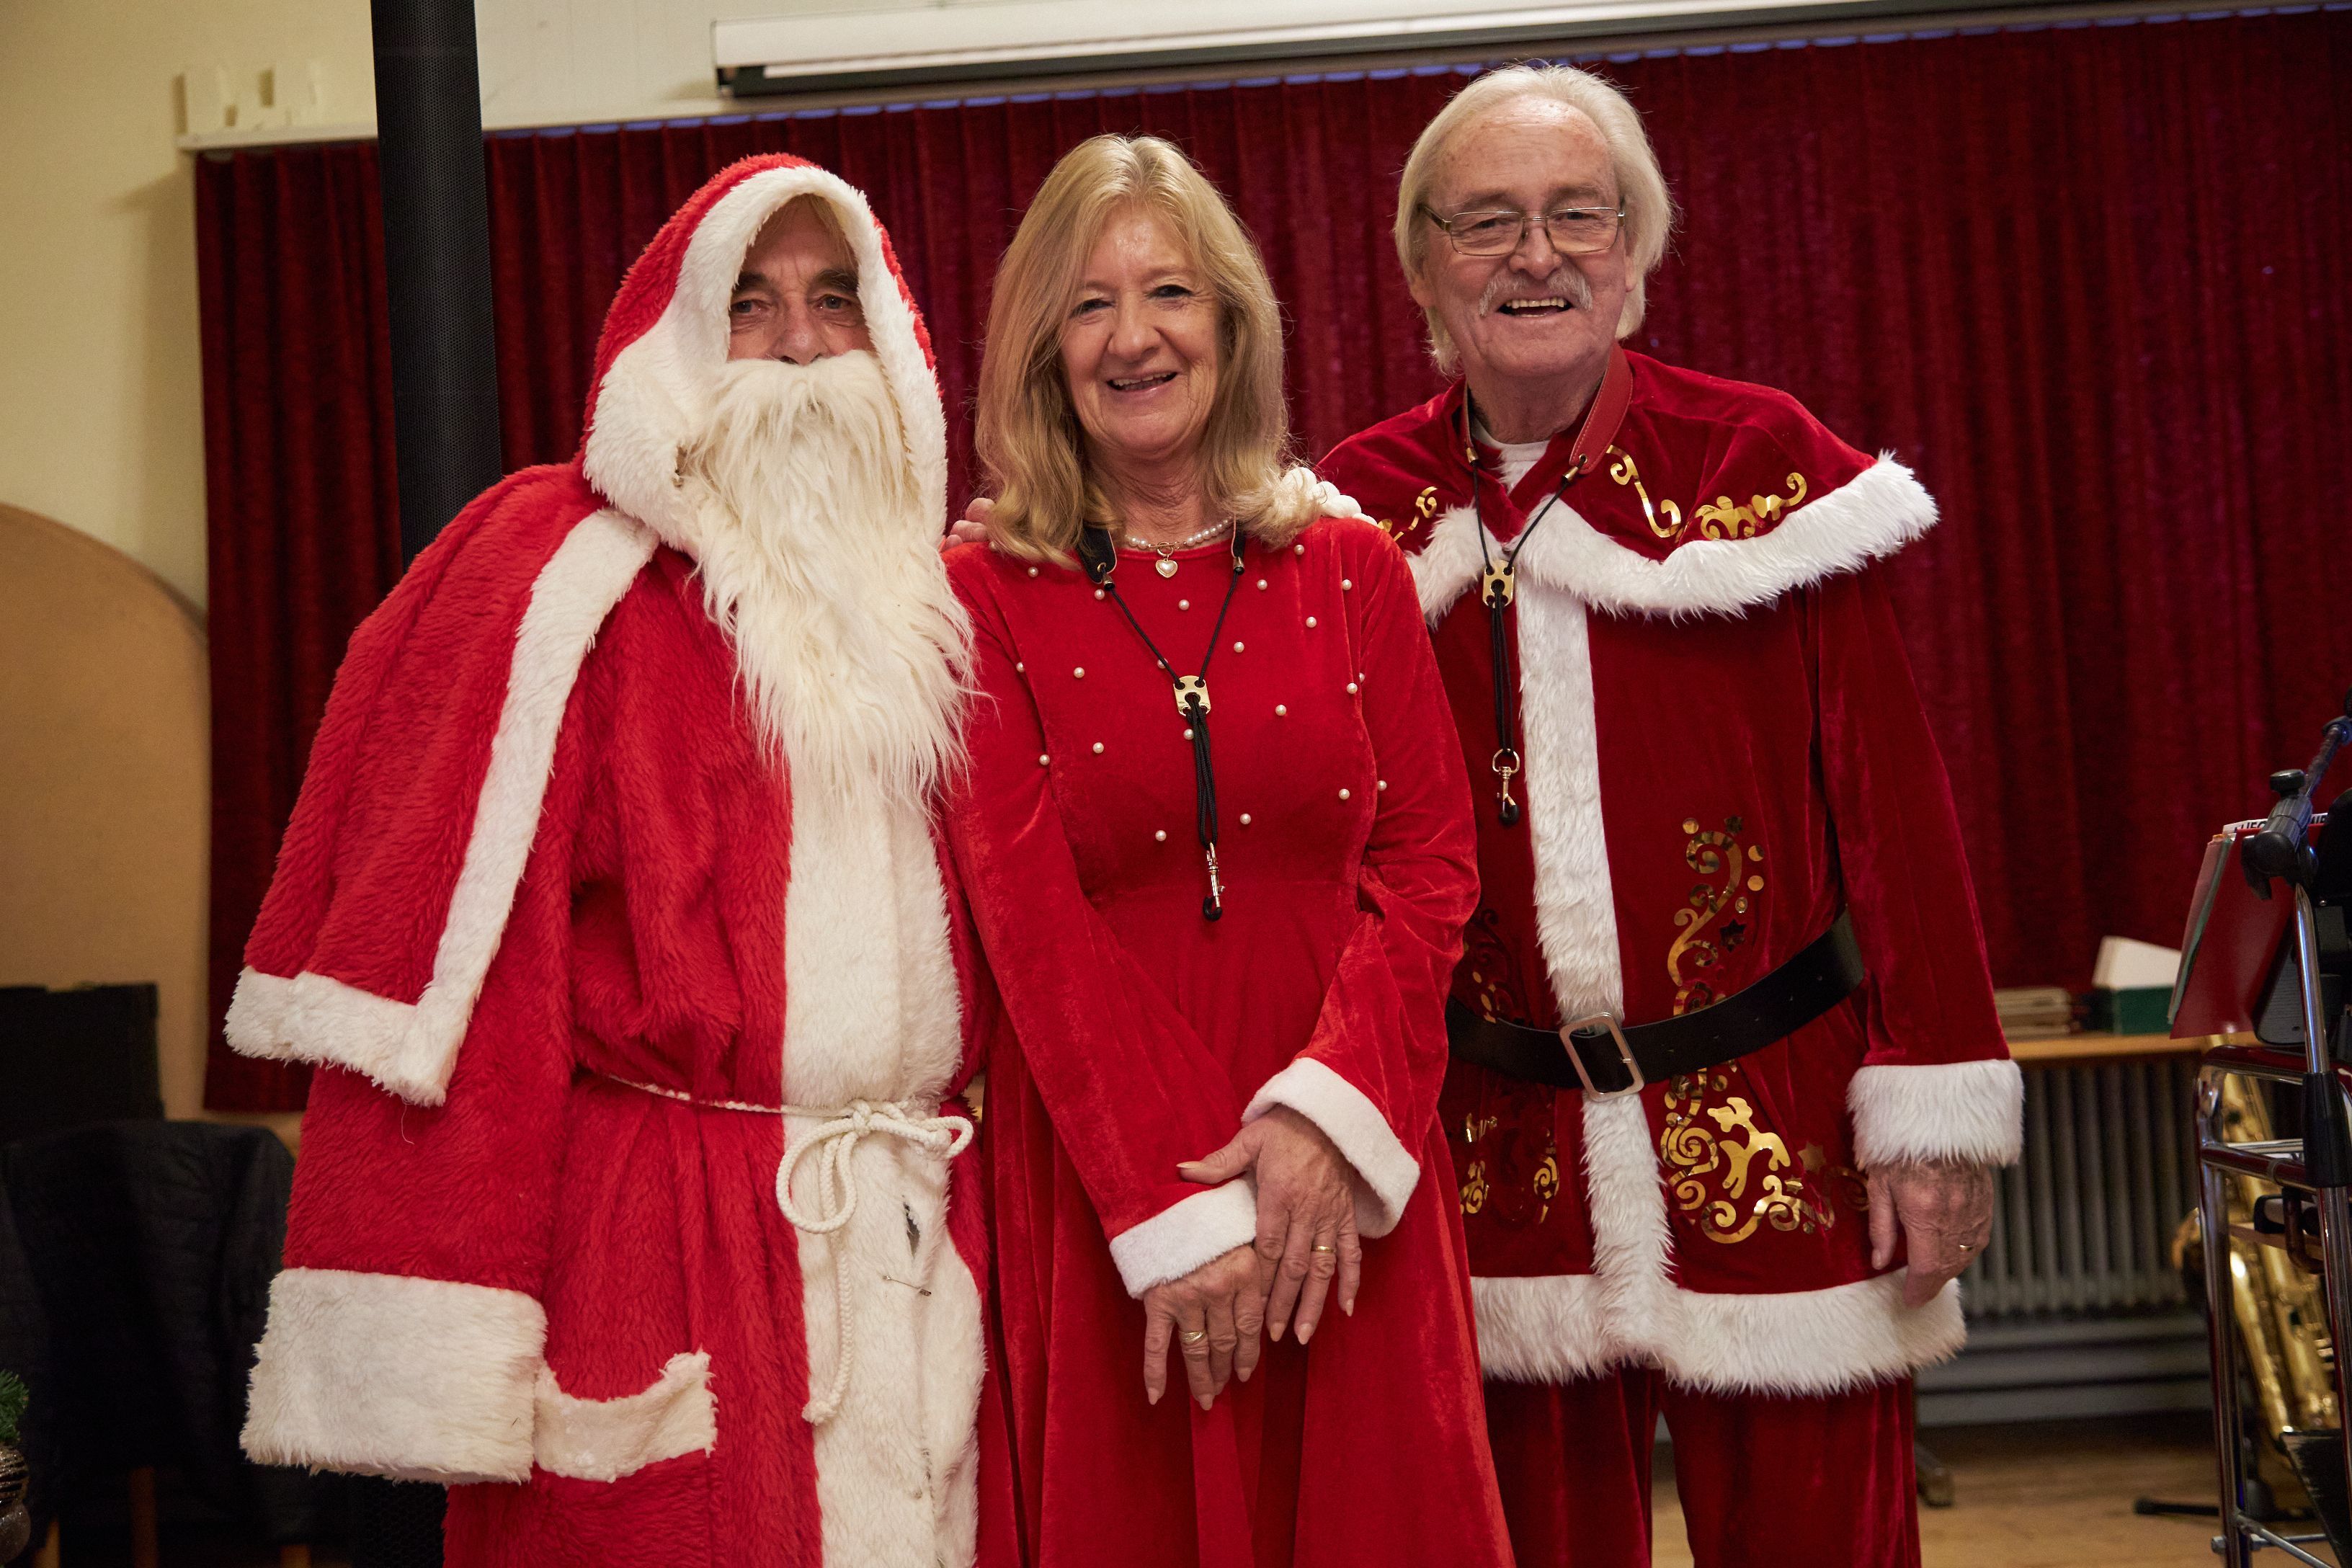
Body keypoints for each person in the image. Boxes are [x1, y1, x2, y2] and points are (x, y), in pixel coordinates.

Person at [228, 153, 991, 1567]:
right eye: (753, 304)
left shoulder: (940, 607)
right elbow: (474, 975)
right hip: (660, 1245)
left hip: (909, 1231)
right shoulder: (570, 588)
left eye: (836, 299)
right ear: (679, 341)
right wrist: (440, 1309)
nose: (801, 342)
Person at [1314, 68, 2023, 1568]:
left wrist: (1937, 1115)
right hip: (1493, 1155)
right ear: (1421, 264)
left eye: (1580, 214)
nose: (1537, 255)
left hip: (1785, 1129)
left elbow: (1898, 814)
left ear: (1634, 250)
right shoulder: (1350, 517)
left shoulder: (1763, 468)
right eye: (1487, 221)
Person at [944, 135, 1512, 1568]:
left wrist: (1327, 1123)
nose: (1133, 336)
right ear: (1042, 350)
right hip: (1109, 1175)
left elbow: (1431, 867)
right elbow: (1024, 916)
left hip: (1345, 1172)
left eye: (1170, 293)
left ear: (1233, 322)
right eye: (1088, 304)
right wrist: (1172, 1204)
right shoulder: (976, 595)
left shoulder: (1354, 567)